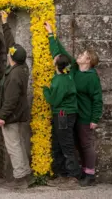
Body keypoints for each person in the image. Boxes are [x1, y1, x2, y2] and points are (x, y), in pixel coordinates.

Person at [44, 21, 103, 187]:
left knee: (85, 144)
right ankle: (78, 173)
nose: (78, 55)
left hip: (85, 114)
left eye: (82, 55)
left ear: (88, 60)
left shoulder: (91, 77)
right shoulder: (74, 69)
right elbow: (60, 54)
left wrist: (95, 118)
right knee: (73, 143)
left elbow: (97, 98)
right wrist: (51, 34)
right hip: (73, 113)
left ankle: (89, 175)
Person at [0, 11, 33, 189]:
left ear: (11, 58)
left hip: (12, 114)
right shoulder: (22, 66)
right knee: (18, 142)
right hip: (20, 112)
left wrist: (2, 116)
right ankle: (26, 173)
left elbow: (10, 100)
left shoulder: (14, 76)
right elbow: (11, 45)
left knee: (13, 146)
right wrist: (4, 23)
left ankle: (20, 178)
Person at [42, 53, 80, 187]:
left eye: (55, 58)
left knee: (66, 144)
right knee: (58, 143)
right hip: (64, 114)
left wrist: (45, 90)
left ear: (57, 63)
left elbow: (54, 100)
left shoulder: (61, 80)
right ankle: (62, 174)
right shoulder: (65, 76)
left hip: (63, 114)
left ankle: (72, 176)